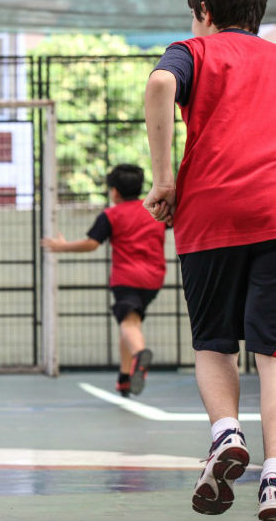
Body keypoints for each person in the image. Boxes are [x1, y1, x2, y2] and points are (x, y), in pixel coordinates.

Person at [143, 0, 276, 519]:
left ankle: (226, 433)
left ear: (203, 11)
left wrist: (163, 180)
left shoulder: (192, 52)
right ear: (259, 11)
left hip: (211, 216)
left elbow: (160, 84)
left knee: (213, 342)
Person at [42, 164, 165, 398]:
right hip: (154, 278)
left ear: (114, 191)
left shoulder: (111, 215)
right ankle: (124, 378)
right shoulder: (153, 210)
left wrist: (62, 246)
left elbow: (91, 243)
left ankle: (139, 355)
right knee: (131, 324)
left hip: (126, 278)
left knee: (128, 325)